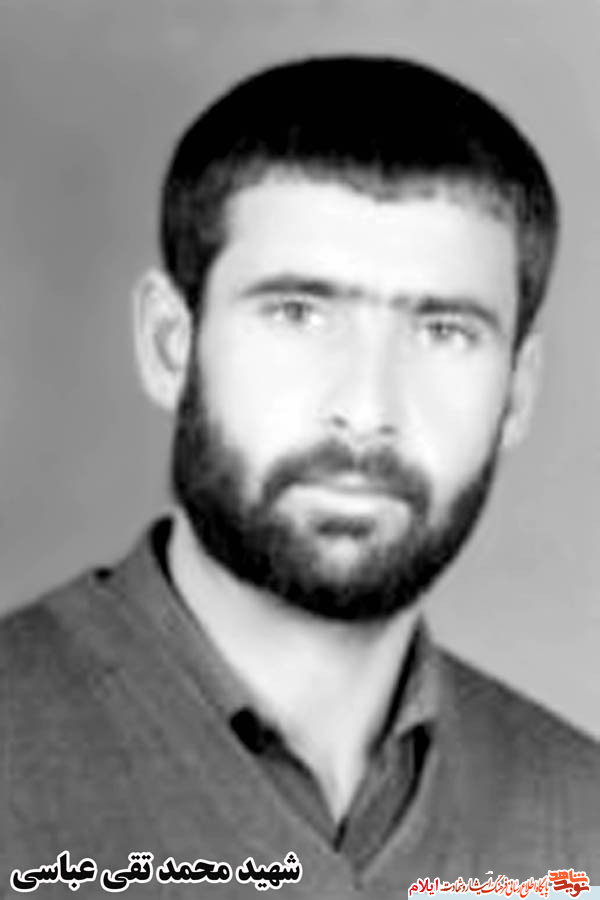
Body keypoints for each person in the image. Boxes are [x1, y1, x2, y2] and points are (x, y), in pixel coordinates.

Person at [1, 56, 599, 898]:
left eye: (444, 331)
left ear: (517, 394)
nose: (366, 409)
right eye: (298, 314)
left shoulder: (582, 825)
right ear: (171, 346)